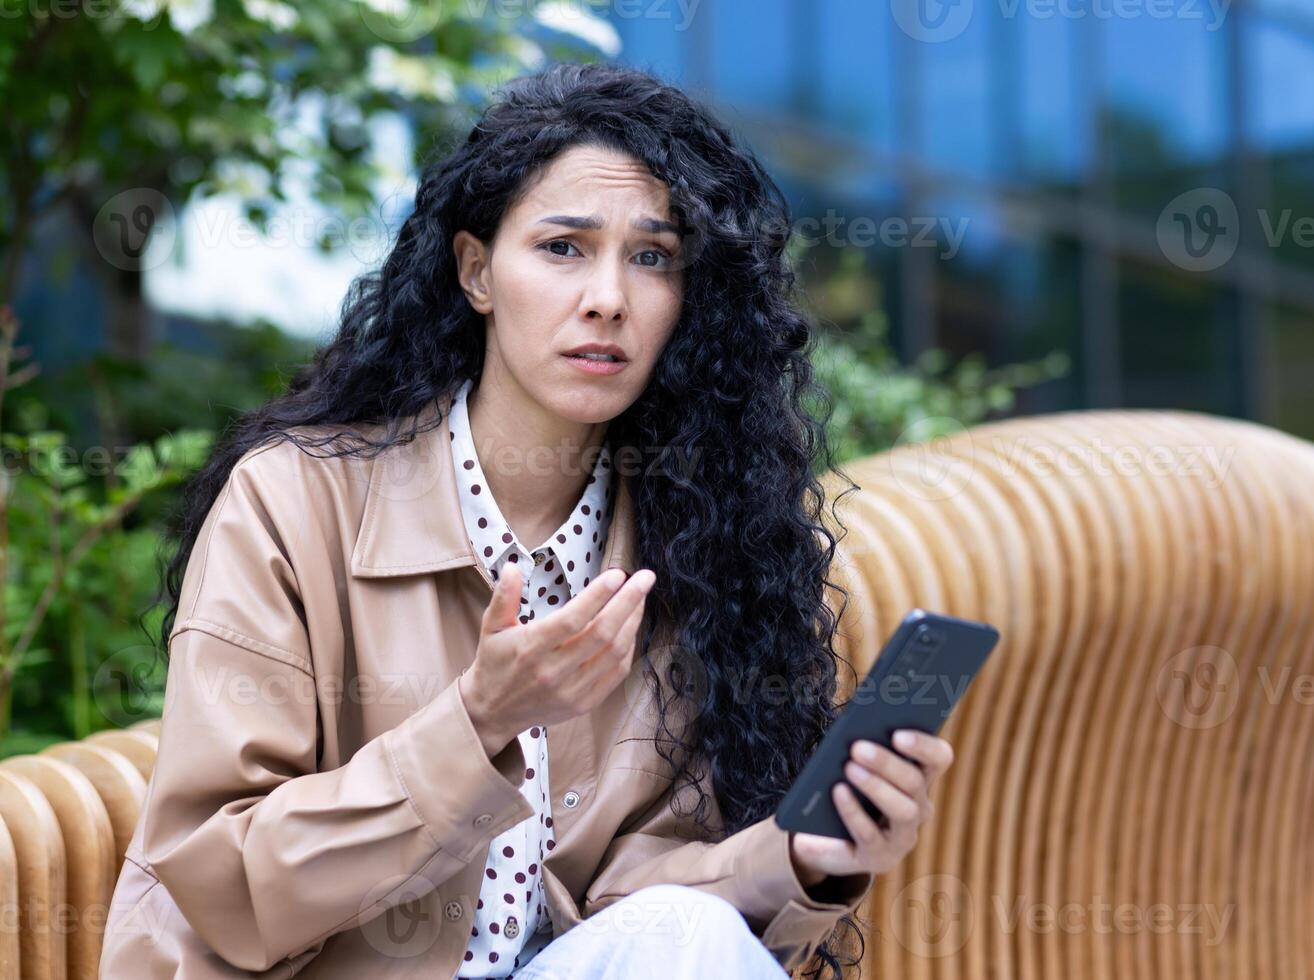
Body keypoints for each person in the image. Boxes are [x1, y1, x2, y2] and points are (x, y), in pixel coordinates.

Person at [99, 62, 954, 979]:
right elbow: (225, 885)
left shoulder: (684, 540)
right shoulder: (294, 500)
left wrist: (798, 859)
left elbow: (637, 907)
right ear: (476, 271)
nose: (609, 298)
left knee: (692, 935)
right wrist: (478, 718)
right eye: (563, 247)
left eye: (653, 257)